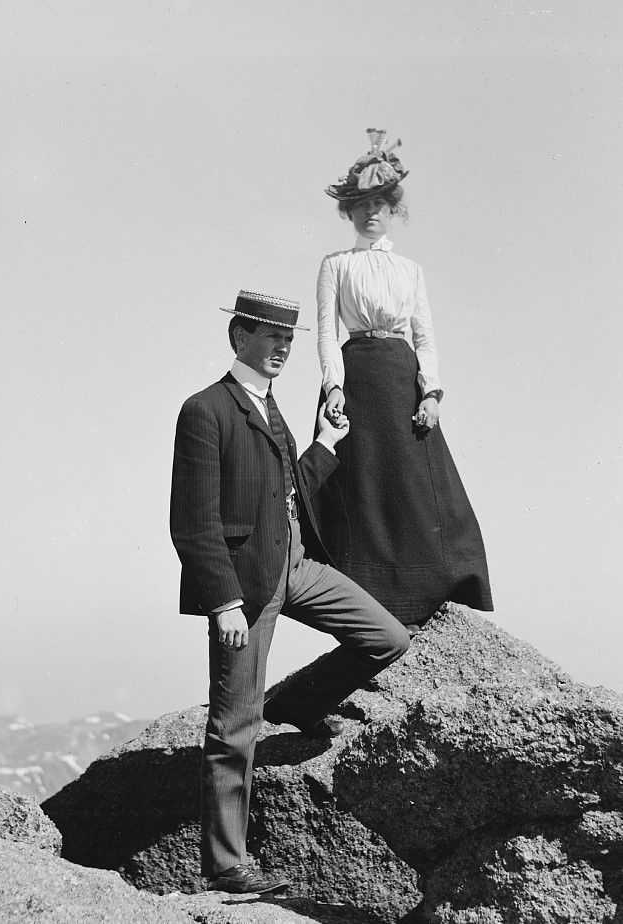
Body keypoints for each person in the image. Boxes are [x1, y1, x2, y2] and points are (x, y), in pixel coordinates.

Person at [170, 290, 412, 895]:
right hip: (246, 585)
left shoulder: (270, 408)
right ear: (238, 338)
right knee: (233, 726)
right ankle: (227, 866)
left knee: (386, 637)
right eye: (269, 336)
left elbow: (283, 496)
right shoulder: (206, 410)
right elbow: (192, 523)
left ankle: (298, 705)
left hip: (295, 566)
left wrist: (326, 446)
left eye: (289, 339)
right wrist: (223, 601)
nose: (281, 347)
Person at [313, 129, 493, 626]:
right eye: (362, 204)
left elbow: (425, 337)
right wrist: (333, 386)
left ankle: (430, 599)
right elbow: (327, 334)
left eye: (381, 204)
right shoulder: (335, 266)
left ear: (393, 210)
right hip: (356, 382)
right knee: (364, 490)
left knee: (418, 490)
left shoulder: (411, 270)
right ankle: (371, 607)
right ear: (348, 212)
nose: (372, 212)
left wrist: (431, 393)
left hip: (400, 379)